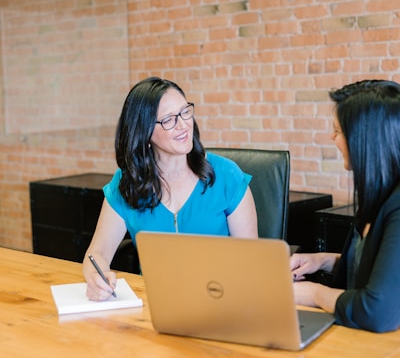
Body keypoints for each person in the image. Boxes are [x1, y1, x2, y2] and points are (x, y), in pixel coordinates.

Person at [83, 76, 258, 301]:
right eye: (168, 120)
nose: (184, 124)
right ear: (144, 132)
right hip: (154, 304)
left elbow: (251, 261)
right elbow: (97, 253)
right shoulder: (126, 184)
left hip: (220, 300)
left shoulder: (226, 176)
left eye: (185, 112)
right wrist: (96, 279)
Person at [290, 79, 400, 332]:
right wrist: (324, 260)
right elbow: (379, 266)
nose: (332, 137)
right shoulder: (380, 194)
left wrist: (315, 294)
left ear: (365, 139)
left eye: (337, 131)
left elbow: (377, 311)